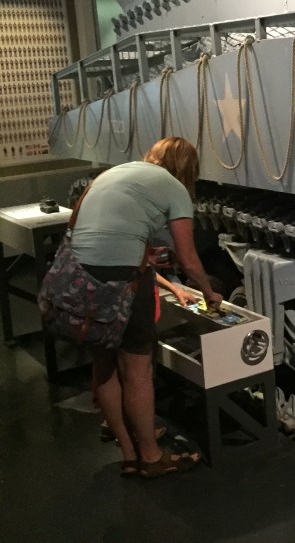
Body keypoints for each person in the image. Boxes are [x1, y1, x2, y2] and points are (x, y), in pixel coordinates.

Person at [71, 137, 223, 477]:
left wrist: (163, 281)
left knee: (105, 364)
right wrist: (208, 291)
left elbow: (84, 228)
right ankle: (152, 458)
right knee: (138, 370)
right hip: (122, 280)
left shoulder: (113, 173)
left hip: (80, 275)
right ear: (187, 169)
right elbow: (187, 258)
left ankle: (129, 452)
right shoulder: (173, 188)